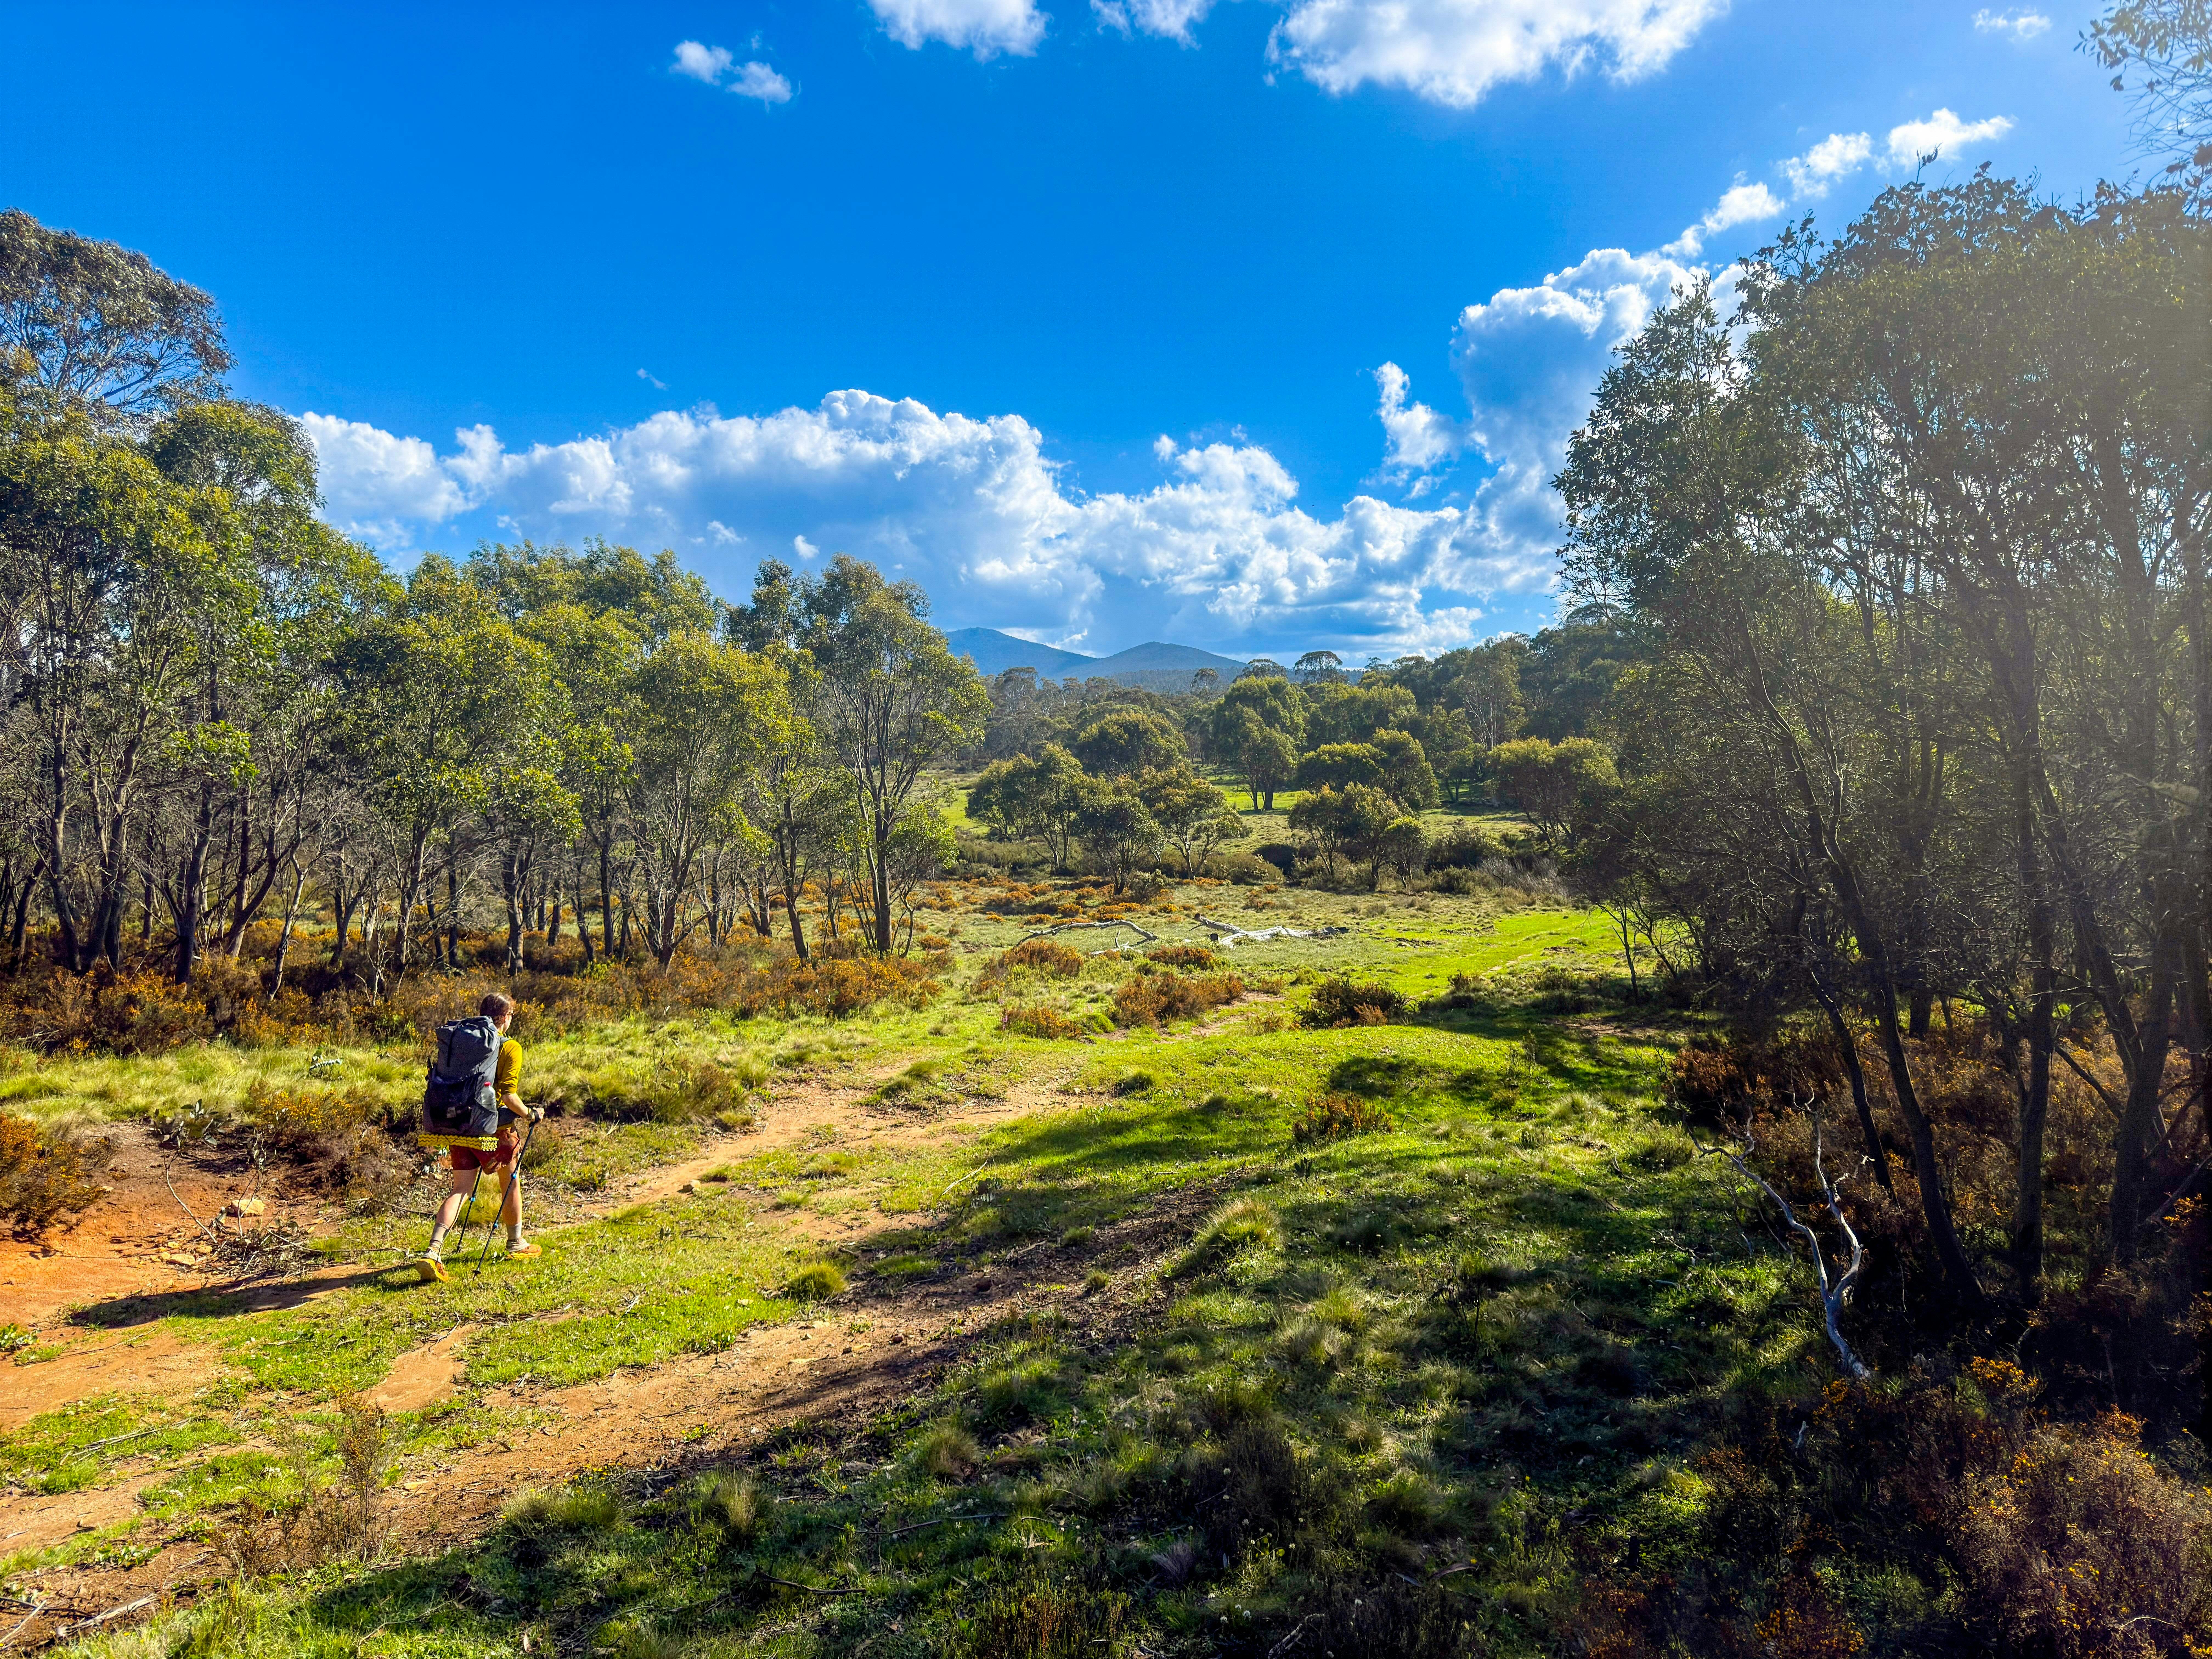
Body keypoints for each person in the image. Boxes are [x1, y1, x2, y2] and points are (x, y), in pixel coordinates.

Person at [419, 991, 542, 1280]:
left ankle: (433, 1251)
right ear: (504, 1018)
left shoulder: (465, 1042)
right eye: (511, 1015)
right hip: (494, 1132)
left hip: (461, 1127)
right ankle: (516, 1243)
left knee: (460, 1190)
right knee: (510, 1184)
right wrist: (530, 1114)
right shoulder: (510, 1048)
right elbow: (510, 1097)